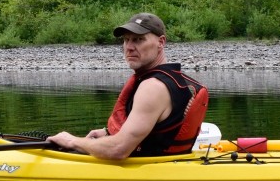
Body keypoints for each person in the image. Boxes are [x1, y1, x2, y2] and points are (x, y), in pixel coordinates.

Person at [47, 12, 209, 159]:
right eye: (126, 40)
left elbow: (118, 149)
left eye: (139, 39)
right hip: (170, 163)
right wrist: (108, 133)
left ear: (161, 42)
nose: (129, 47)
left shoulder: (153, 87)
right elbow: (158, 132)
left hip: (148, 173)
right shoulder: (178, 80)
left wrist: (73, 141)